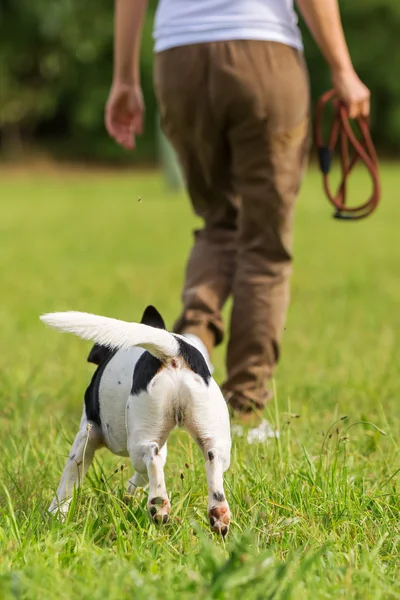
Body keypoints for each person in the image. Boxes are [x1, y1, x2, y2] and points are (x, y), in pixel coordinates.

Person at [105, 0, 370, 422]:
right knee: (264, 243)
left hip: (179, 58)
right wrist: (342, 68)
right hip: (262, 51)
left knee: (218, 224)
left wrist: (124, 78)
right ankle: (244, 406)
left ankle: (191, 346)